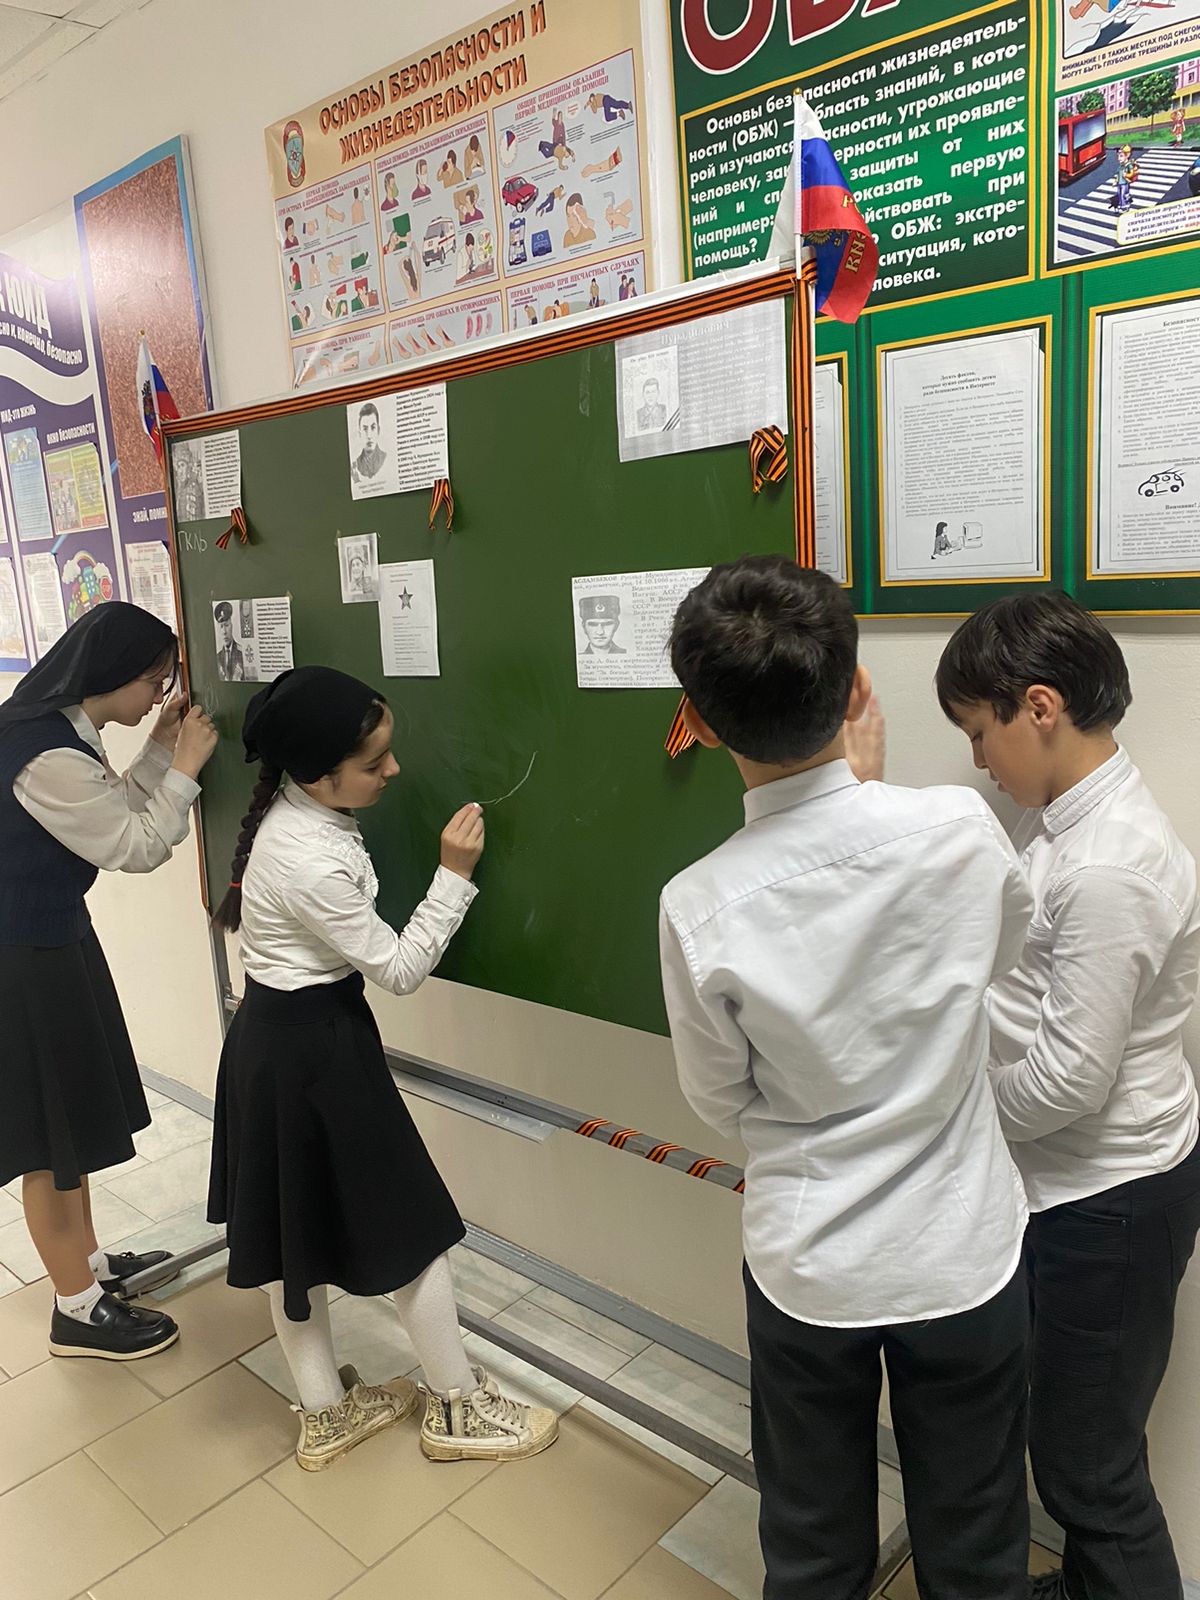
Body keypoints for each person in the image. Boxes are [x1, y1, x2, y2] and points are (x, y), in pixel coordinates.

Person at [659, 557, 1035, 1600]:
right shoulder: (958, 829)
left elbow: (718, 1096)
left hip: (809, 1262)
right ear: (857, 686)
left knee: (814, 1546)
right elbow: (999, 959)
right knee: (978, 1544)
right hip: (960, 1251)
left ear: (701, 722)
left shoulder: (699, 903)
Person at [207, 667, 559, 1471]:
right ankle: (457, 1407)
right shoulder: (308, 857)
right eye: (374, 763)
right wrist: (453, 878)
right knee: (412, 1225)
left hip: (271, 1042)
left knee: (291, 1237)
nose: (394, 770)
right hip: (317, 1053)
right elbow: (398, 969)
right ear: (318, 773)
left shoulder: (297, 817)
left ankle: (326, 1413)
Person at [935, 592, 1200, 1600]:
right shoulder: (1056, 822)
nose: (976, 760)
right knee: (1079, 1442)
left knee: (1090, 1472)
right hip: (1074, 1188)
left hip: (1110, 1200)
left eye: (978, 731)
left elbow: (1070, 1079)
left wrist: (948, 1118)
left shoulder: (1109, 865)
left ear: (1039, 706)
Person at [0, 604, 218, 1360]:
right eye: (155, 683)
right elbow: (135, 844)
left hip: (50, 941)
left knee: (72, 1126)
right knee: (48, 1141)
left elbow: (113, 804)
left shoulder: (62, 730)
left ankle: (88, 1266)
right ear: (111, 675)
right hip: (23, 959)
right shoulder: (42, 754)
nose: (160, 696)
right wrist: (186, 767)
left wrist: (159, 751)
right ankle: (75, 1310)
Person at [352, 402, 386, 482]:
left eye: (373, 428)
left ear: (378, 430)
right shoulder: (356, 465)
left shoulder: (385, 459)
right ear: (360, 433)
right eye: (365, 429)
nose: (369, 435)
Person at [214, 601, 244, 683]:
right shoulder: (218, 657)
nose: (224, 631)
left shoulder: (242, 653)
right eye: (221, 626)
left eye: (227, 625)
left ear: (232, 626)